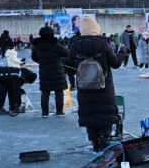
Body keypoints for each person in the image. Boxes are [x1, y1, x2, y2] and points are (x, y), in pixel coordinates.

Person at [68, 15, 126, 151]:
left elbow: (68, 66)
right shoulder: (103, 44)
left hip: (84, 89)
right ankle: (104, 140)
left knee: (89, 114)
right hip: (103, 88)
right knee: (105, 113)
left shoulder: (75, 45)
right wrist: (123, 52)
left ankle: (94, 143)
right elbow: (116, 63)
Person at [32, 26, 69, 117]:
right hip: (57, 72)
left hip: (44, 72)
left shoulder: (37, 46)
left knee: (45, 92)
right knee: (59, 91)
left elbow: (34, 57)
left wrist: (42, 61)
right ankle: (59, 111)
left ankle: (45, 112)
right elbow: (66, 53)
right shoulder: (56, 44)